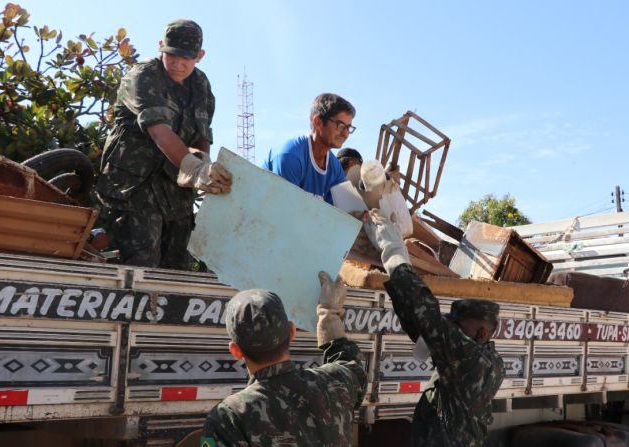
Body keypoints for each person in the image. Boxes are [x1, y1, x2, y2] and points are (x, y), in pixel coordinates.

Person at [97, 19, 231, 270]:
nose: (179, 64)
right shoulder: (144, 75)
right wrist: (193, 168)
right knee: (141, 267)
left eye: (187, 58)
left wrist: (203, 163)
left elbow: (201, 133)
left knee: (177, 270)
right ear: (161, 47)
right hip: (135, 187)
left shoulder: (200, 85)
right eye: (172, 55)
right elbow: (159, 130)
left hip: (175, 192)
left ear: (200, 56)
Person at [364, 209, 505, 447]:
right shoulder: (475, 359)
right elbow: (424, 325)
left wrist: (394, 250)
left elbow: (426, 312)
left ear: (481, 333)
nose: (450, 331)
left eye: (457, 327)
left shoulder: (472, 360)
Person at [200, 272, 367, 446]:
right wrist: (329, 313)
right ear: (292, 332)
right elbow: (352, 365)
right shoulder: (337, 383)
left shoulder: (228, 418)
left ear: (235, 351)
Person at [262, 93, 356, 204]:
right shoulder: (291, 157)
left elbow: (346, 210)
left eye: (348, 128)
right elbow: (284, 212)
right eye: (340, 125)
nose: (345, 134)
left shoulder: (334, 167)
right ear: (318, 122)